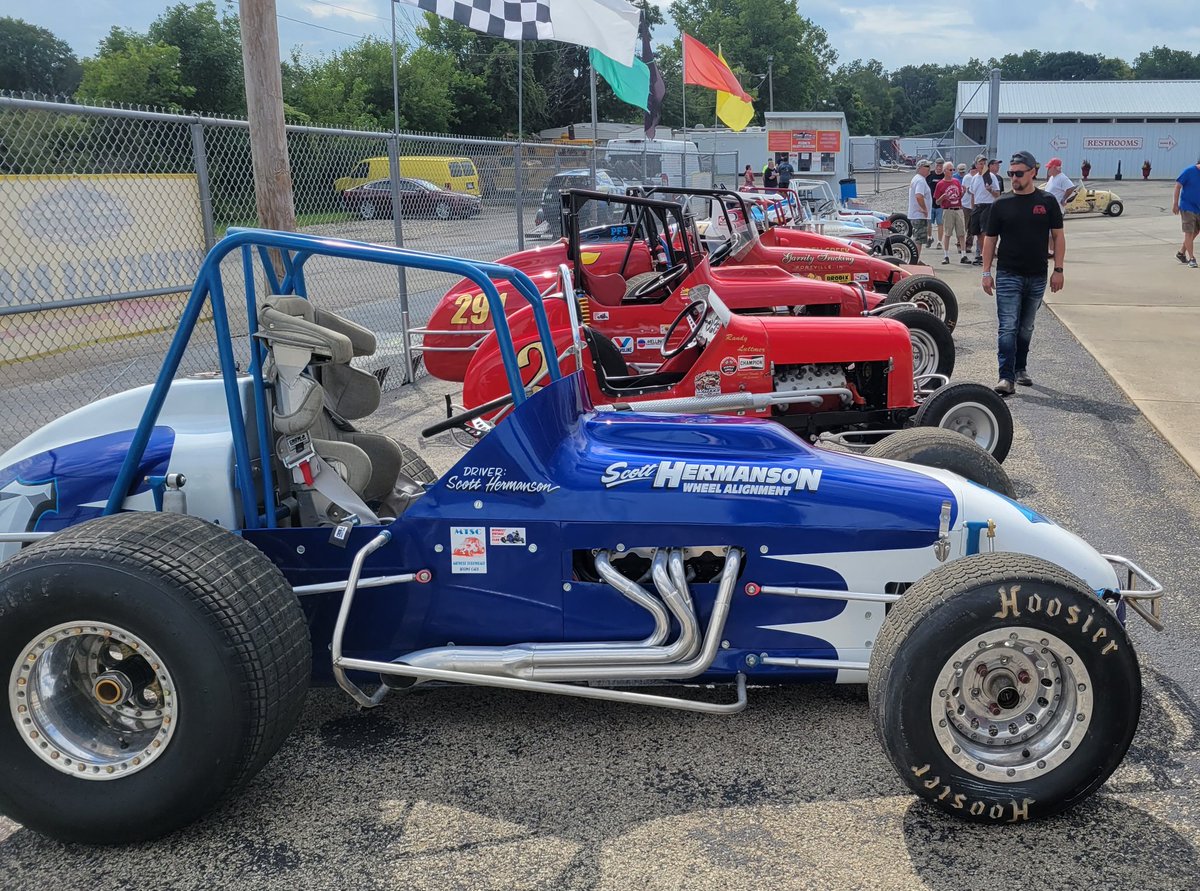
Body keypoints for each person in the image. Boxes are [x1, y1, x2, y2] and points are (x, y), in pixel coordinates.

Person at [981, 150, 1065, 396]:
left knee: (1026, 326)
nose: (1014, 178)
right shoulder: (1001, 204)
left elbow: (1058, 236)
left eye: (1018, 173)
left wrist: (1058, 269)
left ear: (1033, 172)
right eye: (1011, 173)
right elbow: (990, 240)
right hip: (1008, 274)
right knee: (1008, 326)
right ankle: (1005, 376)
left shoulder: (1047, 201)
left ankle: (1020, 368)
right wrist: (986, 272)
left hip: (1037, 275)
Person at [968, 156, 1000, 264]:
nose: (982, 166)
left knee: (985, 232)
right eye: (980, 163)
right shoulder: (974, 178)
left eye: (984, 163)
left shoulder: (991, 177)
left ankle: (987, 254)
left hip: (988, 205)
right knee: (977, 232)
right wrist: (972, 208)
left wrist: (990, 190)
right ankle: (982, 254)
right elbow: (973, 194)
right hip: (978, 206)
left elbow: (997, 194)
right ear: (976, 165)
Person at [933, 163, 967, 264]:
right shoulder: (940, 184)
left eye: (953, 170)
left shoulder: (956, 182)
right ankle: (946, 255)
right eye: (950, 170)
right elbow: (937, 202)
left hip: (958, 209)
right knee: (947, 233)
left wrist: (963, 192)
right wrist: (942, 198)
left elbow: (959, 196)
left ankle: (963, 255)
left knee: (961, 233)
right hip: (948, 210)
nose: (952, 172)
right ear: (945, 171)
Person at [1043, 158, 1076, 256]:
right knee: (1049, 231)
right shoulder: (1052, 178)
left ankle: (1052, 251)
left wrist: (1064, 199)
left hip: (1056, 210)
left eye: (1049, 168)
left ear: (1054, 168)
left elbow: (1070, 188)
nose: (1048, 170)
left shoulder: (1062, 178)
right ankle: (1050, 250)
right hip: (1049, 209)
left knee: (1054, 232)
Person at [1172, 158, 1200, 268]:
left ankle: (1181, 252)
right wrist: (1175, 203)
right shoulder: (1189, 171)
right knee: (1189, 232)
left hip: (1198, 207)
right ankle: (1192, 259)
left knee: (1196, 231)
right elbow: (1178, 186)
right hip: (1187, 206)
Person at [907, 159, 932, 247]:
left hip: (916, 215)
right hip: (919, 215)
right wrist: (924, 209)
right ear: (920, 168)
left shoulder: (917, 179)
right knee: (919, 240)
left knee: (918, 238)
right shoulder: (920, 180)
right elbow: (919, 196)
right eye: (927, 166)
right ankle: (916, 256)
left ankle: (916, 255)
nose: (929, 168)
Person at [926, 160, 945, 247]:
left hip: (941, 204)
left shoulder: (944, 176)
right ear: (935, 165)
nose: (939, 168)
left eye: (941, 166)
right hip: (930, 203)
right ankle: (929, 237)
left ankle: (939, 242)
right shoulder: (930, 175)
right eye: (937, 165)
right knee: (929, 222)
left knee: (940, 223)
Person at [961, 161, 976, 258]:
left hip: (974, 205)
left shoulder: (978, 177)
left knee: (972, 227)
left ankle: (969, 245)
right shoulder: (968, 177)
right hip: (966, 205)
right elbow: (969, 190)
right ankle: (960, 244)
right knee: (964, 226)